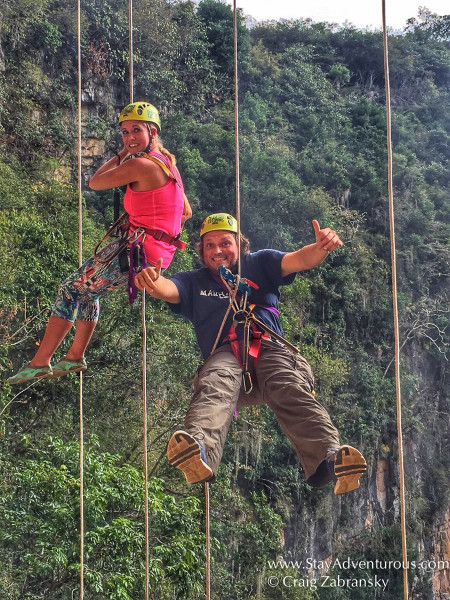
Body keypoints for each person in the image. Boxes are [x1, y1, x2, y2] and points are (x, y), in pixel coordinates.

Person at [135, 213, 366, 495]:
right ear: (201, 251)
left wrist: (320, 247)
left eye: (224, 243)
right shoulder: (194, 281)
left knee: (288, 385)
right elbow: (168, 289)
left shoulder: (259, 263)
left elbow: (299, 259)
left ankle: (330, 458)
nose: (217, 250)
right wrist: (152, 281)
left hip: (268, 348)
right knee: (215, 381)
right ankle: (198, 451)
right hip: (228, 358)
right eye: (209, 245)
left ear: (239, 244)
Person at [8, 101, 192, 385]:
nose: (129, 137)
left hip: (135, 249)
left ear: (152, 133)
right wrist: (157, 229)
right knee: (87, 293)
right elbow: (186, 212)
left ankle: (40, 361)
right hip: (151, 252)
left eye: (136, 131)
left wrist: (121, 154)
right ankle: (73, 357)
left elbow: (95, 182)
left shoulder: (142, 164)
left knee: (69, 289)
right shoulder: (168, 164)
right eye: (124, 132)